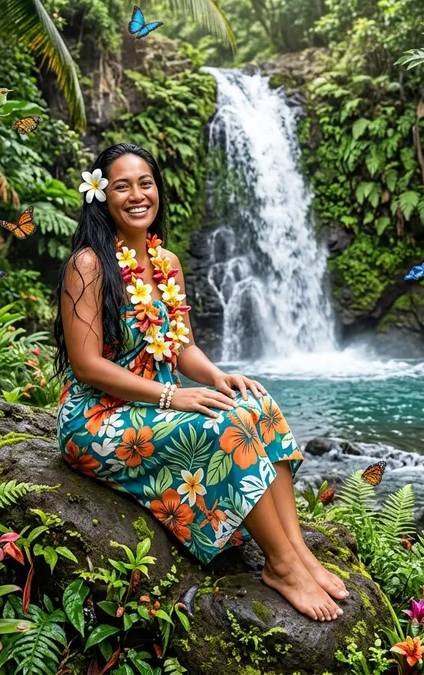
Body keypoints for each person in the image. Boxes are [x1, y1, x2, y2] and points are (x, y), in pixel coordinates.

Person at [53, 142, 347, 621]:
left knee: (258, 407)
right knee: (221, 429)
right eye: (121, 186)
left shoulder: (165, 261)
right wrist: (173, 394)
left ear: (158, 190)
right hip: (98, 417)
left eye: (145, 183)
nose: (136, 195)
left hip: (161, 401)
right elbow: (86, 365)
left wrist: (217, 375)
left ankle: (298, 551)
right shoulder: (88, 265)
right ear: (101, 196)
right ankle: (281, 566)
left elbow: (181, 345)